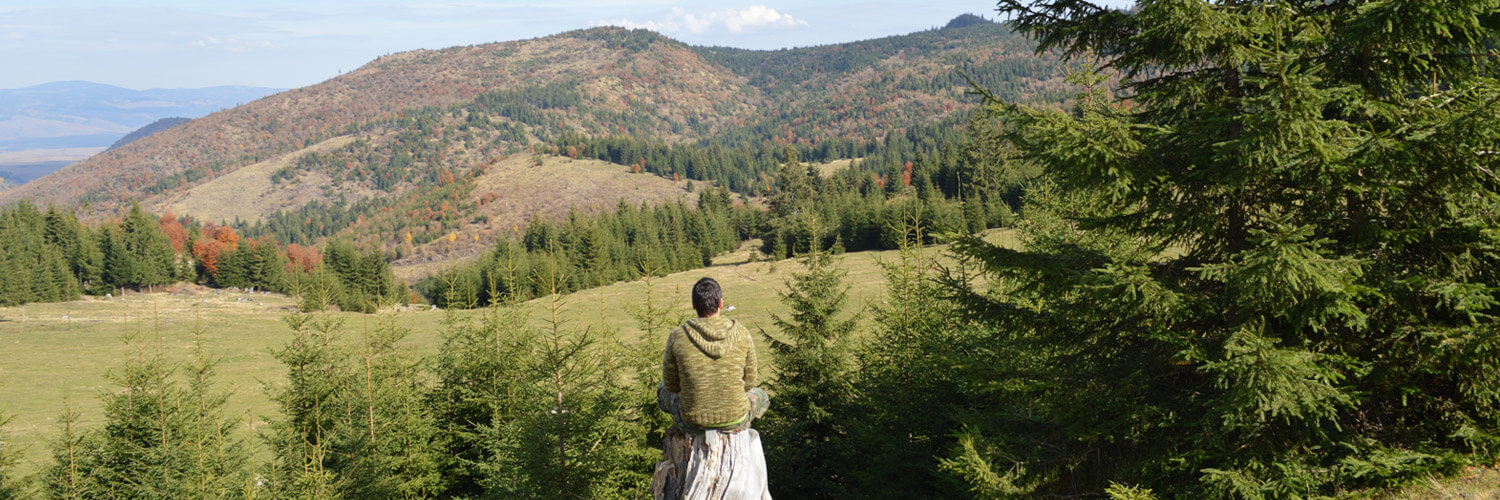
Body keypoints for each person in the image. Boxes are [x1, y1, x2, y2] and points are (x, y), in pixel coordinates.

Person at [658, 277, 769, 433]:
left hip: (692, 422)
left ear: (693, 305)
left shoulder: (677, 336)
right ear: (721, 303)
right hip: (735, 420)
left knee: (661, 389)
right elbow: (749, 383)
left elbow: (671, 385)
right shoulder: (742, 333)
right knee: (761, 396)